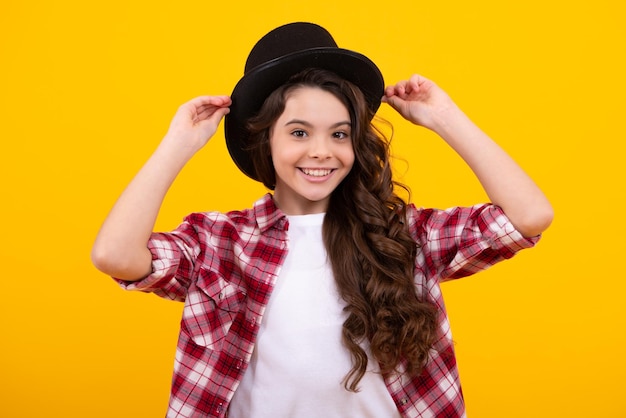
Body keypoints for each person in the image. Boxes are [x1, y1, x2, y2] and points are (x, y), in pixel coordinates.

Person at [92, 22, 553, 418]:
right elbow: (116, 255)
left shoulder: (404, 236)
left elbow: (529, 216)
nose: (321, 151)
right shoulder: (220, 242)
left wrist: (445, 118)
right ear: (264, 141)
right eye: (298, 132)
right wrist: (178, 145)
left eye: (339, 134)